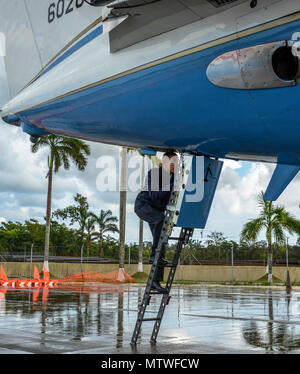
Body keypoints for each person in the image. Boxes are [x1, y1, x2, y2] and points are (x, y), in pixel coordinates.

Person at [134, 151, 179, 293]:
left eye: (177, 163)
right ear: (165, 162)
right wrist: (172, 184)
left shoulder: (173, 177)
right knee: (161, 222)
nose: (175, 166)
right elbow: (154, 196)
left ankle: (155, 282)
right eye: (173, 163)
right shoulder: (154, 173)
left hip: (157, 211)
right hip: (144, 206)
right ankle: (154, 256)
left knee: (162, 239)